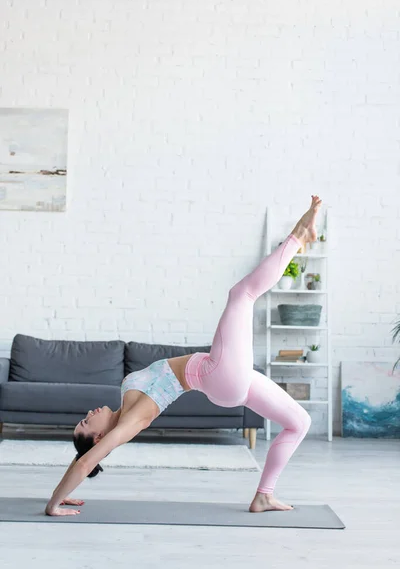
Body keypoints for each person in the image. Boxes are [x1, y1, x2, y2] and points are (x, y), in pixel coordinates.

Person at [45, 195, 322, 517]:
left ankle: (264, 495)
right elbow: (88, 460)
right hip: (218, 375)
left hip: (222, 379)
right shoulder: (130, 421)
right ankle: (300, 235)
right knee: (242, 294)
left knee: (299, 422)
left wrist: (60, 494)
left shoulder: (125, 403)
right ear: (100, 435)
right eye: (86, 421)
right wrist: (53, 505)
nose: (88, 412)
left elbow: (82, 457)